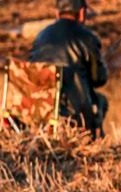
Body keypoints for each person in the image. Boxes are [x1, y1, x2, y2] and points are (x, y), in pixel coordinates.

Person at [29, 0, 109, 137]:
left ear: (57, 14)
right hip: (75, 114)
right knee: (101, 101)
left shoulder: (41, 36)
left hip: (38, 110)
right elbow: (99, 79)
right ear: (82, 14)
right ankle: (93, 139)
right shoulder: (88, 38)